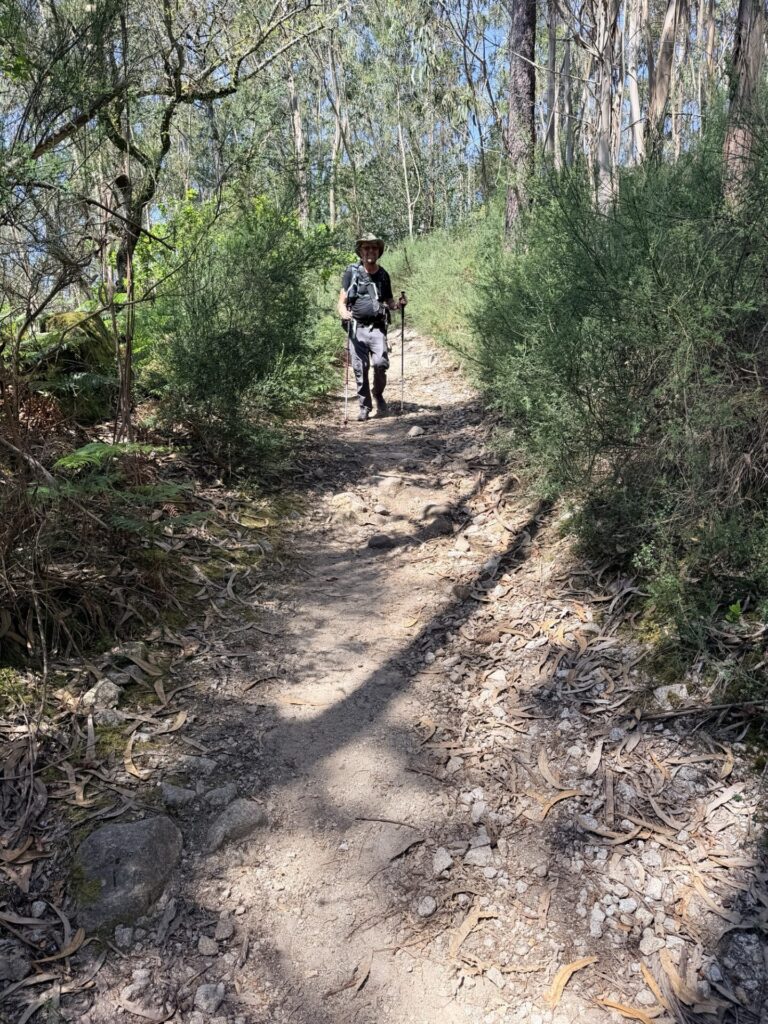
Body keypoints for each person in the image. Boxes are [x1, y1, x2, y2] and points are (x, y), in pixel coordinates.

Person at [338, 234, 407, 421]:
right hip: (356, 328)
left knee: (380, 364)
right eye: (366, 248)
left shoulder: (383, 275)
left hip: (377, 328)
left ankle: (378, 394)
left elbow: (389, 301)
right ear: (360, 252)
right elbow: (341, 302)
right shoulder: (351, 272)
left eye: (374, 248)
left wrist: (398, 305)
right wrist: (344, 313)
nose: (370, 251)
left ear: (379, 251)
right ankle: (365, 406)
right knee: (360, 368)